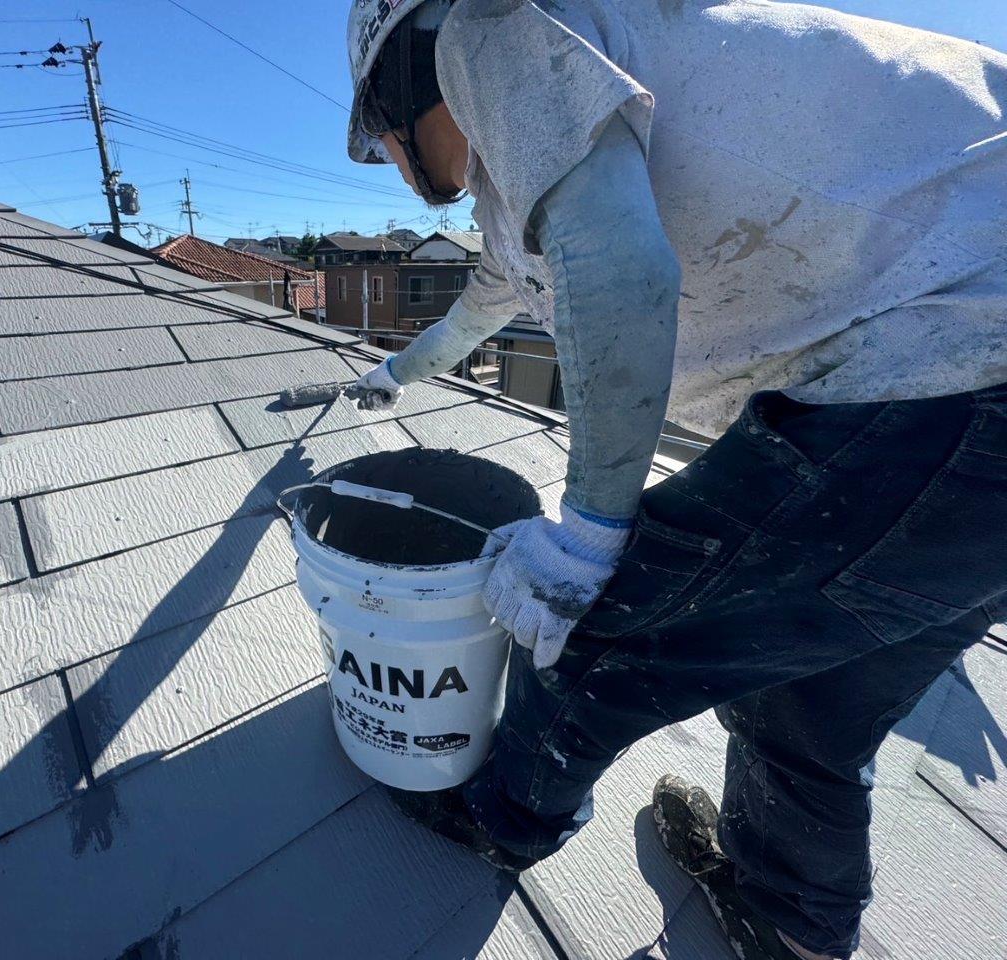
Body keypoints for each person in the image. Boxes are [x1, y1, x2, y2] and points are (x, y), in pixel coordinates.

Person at [342, 2, 1007, 958]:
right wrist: (392, 373)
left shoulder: (485, 24)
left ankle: (501, 822)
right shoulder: (528, 174)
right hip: (965, 408)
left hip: (951, 381)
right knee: (815, 696)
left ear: (405, 82)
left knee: (597, 627)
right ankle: (789, 926)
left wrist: (586, 537)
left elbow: (618, 266)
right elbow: (479, 314)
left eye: (384, 144)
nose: (400, 174)